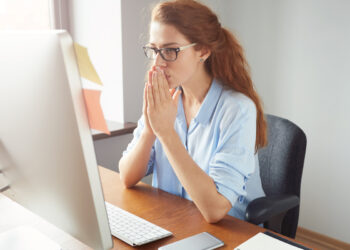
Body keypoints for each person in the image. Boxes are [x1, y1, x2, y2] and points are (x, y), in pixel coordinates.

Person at [119, 0, 267, 223]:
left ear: (203, 51)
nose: (157, 62)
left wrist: (166, 133)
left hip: (230, 233)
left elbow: (215, 210)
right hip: (176, 223)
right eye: (154, 50)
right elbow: (127, 176)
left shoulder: (237, 110)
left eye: (170, 50)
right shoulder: (165, 100)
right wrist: (151, 129)